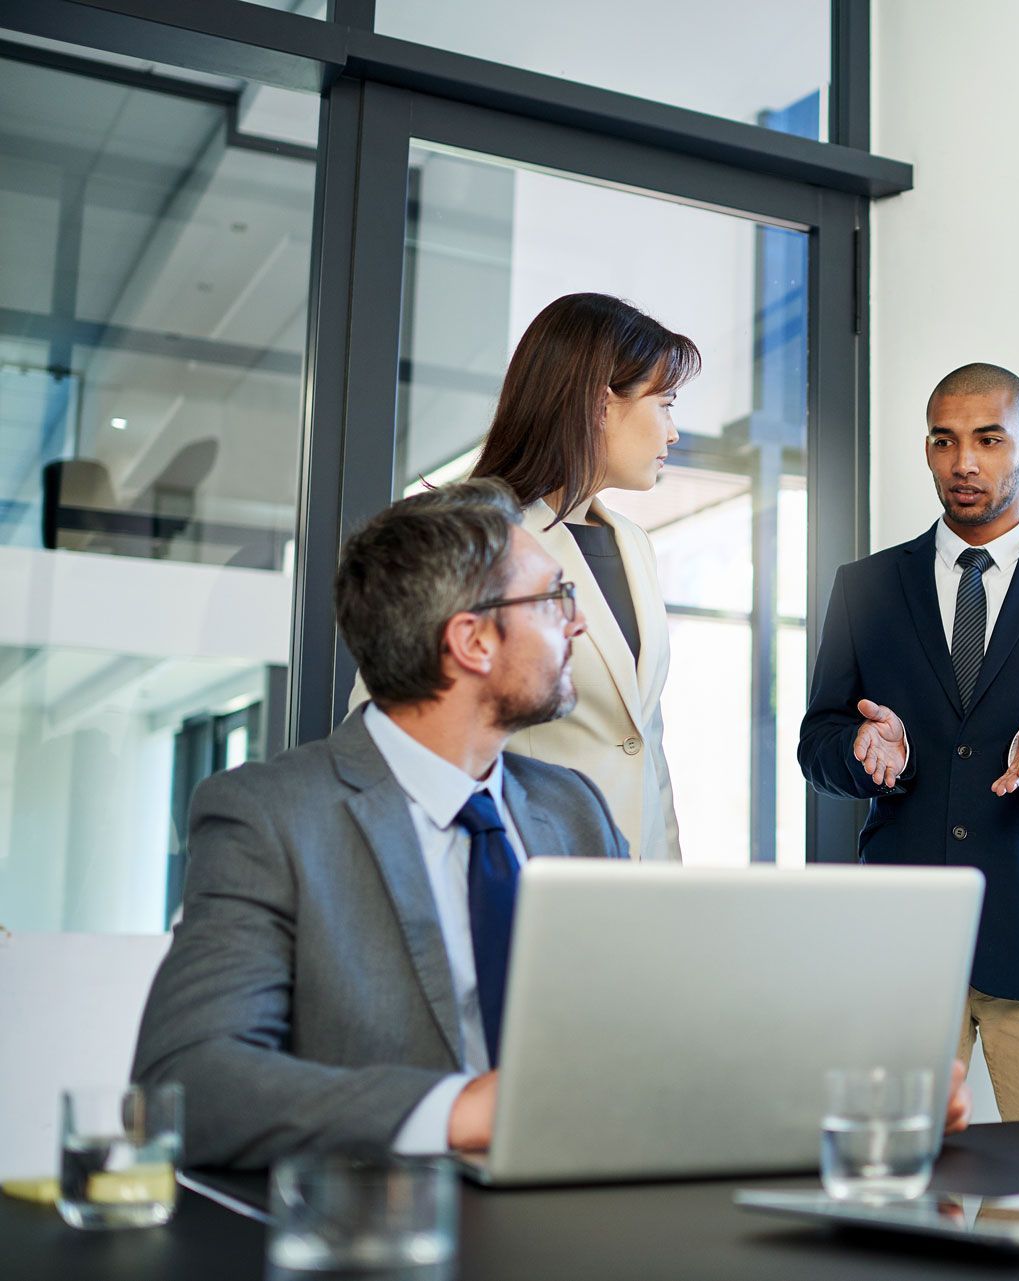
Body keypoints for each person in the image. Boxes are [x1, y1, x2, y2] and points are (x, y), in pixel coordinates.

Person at [133, 480, 626, 1167]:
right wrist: (460, 1111)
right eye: (554, 597)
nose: (576, 624)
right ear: (474, 640)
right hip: (390, 1229)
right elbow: (185, 1082)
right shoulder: (271, 818)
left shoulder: (577, 811)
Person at [798, 362, 1019, 1121]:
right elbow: (817, 739)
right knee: (896, 1169)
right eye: (944, 441)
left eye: (989, 439)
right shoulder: (864, 587)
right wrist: (868, 751)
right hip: (903, 933)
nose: (964, 461)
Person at [359, 292, 698, 862]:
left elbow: (646, 743)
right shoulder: (472, 535)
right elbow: (389, 723)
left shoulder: (635, 546)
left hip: (629, 886)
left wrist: (664, 880)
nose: (673, 433)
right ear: (601, 403)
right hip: (511, 866)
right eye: (664, 404)